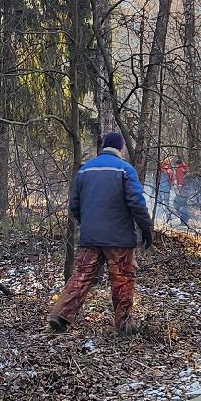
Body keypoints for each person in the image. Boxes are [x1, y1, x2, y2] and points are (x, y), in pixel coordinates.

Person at [50, 132, 154, 335]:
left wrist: (87, 223)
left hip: (90, 237)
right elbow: (136, 202)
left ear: (104, 147)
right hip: (120, 239)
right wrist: (145, 228)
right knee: (122, 279)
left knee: (82, 276)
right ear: (121, 148)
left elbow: (74, 205)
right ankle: (124, 325)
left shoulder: (84, 170)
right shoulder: (126, 170)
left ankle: (60, 315)